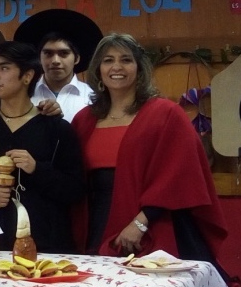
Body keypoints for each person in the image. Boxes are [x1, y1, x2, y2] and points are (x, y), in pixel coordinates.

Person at [73, 33, 228, 267]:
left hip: (154, 227)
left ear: (139, 69)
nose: (117, 67)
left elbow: (180, 176)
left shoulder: (166, 114)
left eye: (126, 60)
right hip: (96, 226)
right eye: (108, 60)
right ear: (98, 70)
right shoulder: (84, 120)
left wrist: (139, 224)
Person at [0, 42, 85, 253]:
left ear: (27, 76)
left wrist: (37, 169)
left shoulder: (57, 128)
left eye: (4, 68)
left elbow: (76, 189)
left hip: (47, 243)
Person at [14, 9, 102, 122]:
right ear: (39, 58)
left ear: (76, 58)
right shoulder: (24, 95)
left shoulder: (93, 97)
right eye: (48, 53)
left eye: (64, 53)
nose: (55, 60)